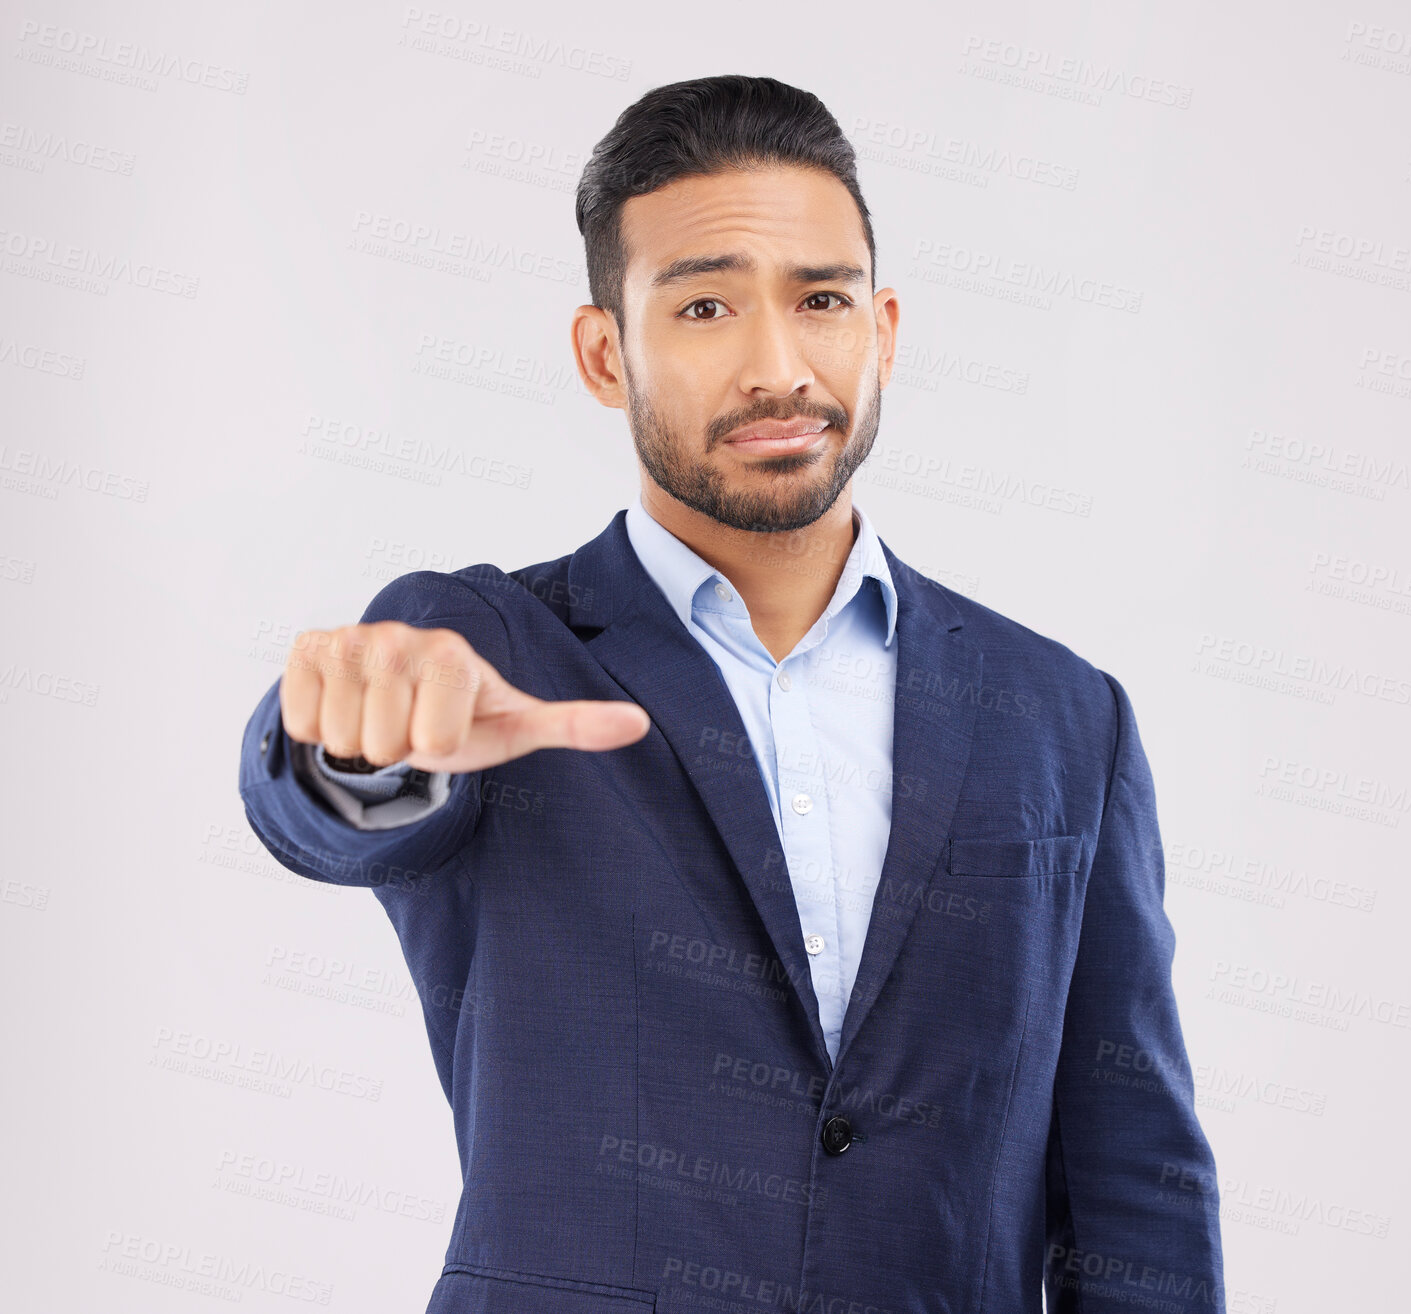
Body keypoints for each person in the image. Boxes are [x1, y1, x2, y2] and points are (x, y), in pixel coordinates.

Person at [238, 73, 1225, 1314]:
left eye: (821, 300)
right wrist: (353, 737)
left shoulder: (1064, 714)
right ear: (608, 353)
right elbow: (329, 794)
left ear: (883, 331)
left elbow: (1136, 1180)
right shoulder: (488, 647)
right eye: (703, 305)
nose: (777, 365)